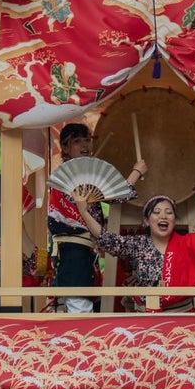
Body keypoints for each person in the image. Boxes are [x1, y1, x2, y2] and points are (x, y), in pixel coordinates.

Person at [77, 191, 195, 313]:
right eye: (157, 212)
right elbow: (106, 238)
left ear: (174, 220)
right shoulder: (138, 245)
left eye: (169, 213)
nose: (164, 216)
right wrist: (84, 212)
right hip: (147, 319)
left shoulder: (188, 243)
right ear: (147, 221)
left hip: (182, 318)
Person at [41, 122, 144, 313]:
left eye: (87, 140)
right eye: (77, 141)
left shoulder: (82, 175)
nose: (85, 146)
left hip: (81, 250)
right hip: (74, 251)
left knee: (75, 306)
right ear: (64, 147)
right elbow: (117, 196)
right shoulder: (70, 177)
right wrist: (136, 172)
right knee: (80, 309)